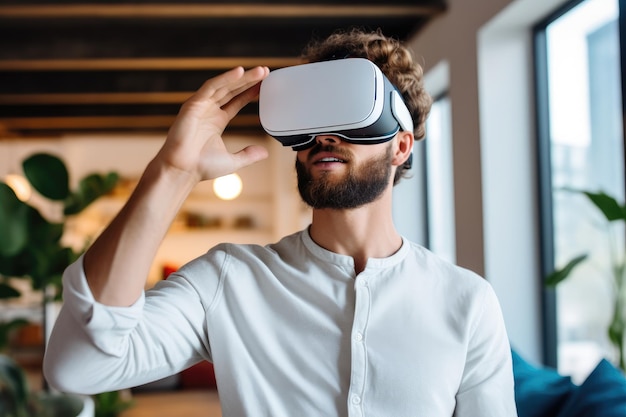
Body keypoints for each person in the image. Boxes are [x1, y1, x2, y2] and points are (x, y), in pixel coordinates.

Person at [43, 29, 518, 417]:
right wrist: (173, 172)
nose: (324, 135)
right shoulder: (230, 280)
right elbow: (78, 369)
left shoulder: (467, 302)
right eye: (312, 114)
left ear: (400, 146)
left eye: (351, 111)